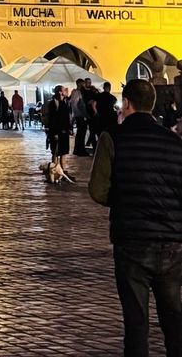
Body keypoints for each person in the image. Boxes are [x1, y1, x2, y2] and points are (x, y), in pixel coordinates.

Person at [89, 78, 182, 356]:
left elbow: (97, 190)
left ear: (126, 103)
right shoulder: (175, 141)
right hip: (172, 242)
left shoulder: (112, 138)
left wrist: (124, 200)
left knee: (136, 321)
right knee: (174, 318)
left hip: (131, 241)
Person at [48, 85, 75, 182]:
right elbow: (53, 120)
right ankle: (54, 172)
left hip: (64, 133)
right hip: (57, 132)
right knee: (55, 153)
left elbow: (66, 118)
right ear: (60, 92)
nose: (66, 91)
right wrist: (55, 133)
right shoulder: (53, 103)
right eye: (64, 90)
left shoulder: (63, 102)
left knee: (63, 153)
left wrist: (69, 129)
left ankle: (63, 172)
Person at [70, 78, 90, 156]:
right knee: (81, 133)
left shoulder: (78, 92)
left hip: (80, 115)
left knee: (81, 133)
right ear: (79, 84)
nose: (84, 85)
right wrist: (82, 114)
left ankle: (79, 149)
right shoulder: (76, 92)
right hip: (80, 115)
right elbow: (76, 105)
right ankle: (79, 150)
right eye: (83, 83)